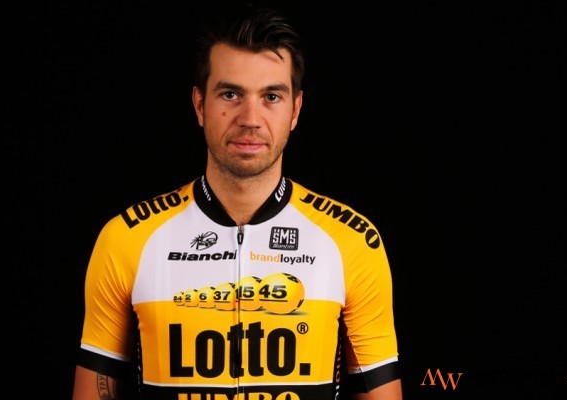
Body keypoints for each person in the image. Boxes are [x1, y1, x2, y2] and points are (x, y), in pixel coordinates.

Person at [72, 3, 402, 399]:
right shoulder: (127, 239)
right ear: (199, 105)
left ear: (296, 110)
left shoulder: (353, 242)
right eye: (230, 94)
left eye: (271, 97)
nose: (250, 118)